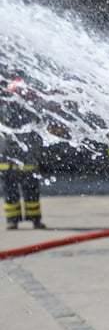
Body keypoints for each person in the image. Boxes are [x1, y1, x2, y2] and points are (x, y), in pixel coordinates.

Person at [0, 77, 46, 230]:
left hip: (22, 159)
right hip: (11, 158)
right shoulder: (10, 108)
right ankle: (17, 220)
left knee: (27, 191)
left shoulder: (28, 109)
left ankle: (28, 220)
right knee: (14, 192)